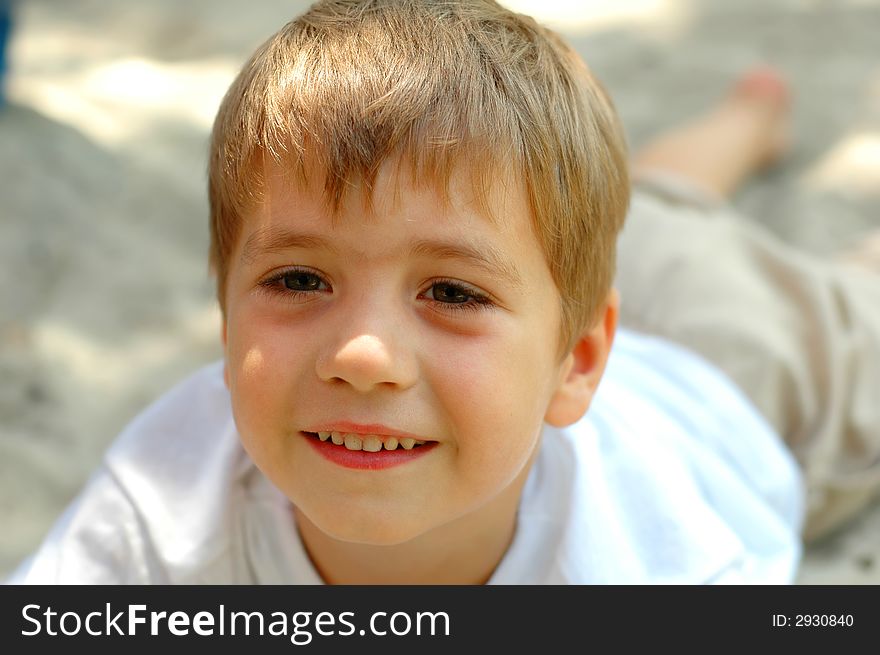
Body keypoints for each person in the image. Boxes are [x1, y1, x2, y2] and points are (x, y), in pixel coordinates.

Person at [6, 0, 876, 585]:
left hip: (736, 361)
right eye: (300, 278)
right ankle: (745, 119)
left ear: (578, 363)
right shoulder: (162, 497)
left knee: (840, 296)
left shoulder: (660, 560)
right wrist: (479, 287)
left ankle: (753, 126)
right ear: (228, 319)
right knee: (644, 212)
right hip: (539, 271)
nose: (362, 353)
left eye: (449, 293)